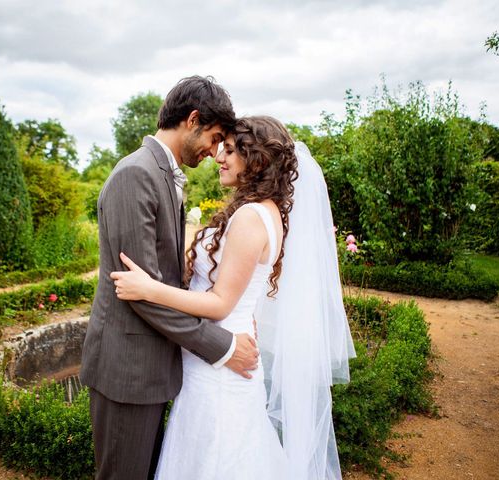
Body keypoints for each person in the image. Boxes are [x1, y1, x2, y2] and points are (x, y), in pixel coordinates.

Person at [111, 116, 356, 479]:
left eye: (231, 150)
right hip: (218, 356)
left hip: (220, 367)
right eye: (221, 147)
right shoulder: (263, 211)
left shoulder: (250, 217)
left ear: (255, 159)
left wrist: (150, 289)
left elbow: (220, 302)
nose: (219, 157)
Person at [79, 76, 260, 480]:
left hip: (153, 368)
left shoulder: (163, 175)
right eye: (214, 139)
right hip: (127, 371)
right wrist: (223, 346)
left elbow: (162, 280)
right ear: (193, 119)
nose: (215, 152)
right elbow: (140, 292)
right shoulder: (136, 175)